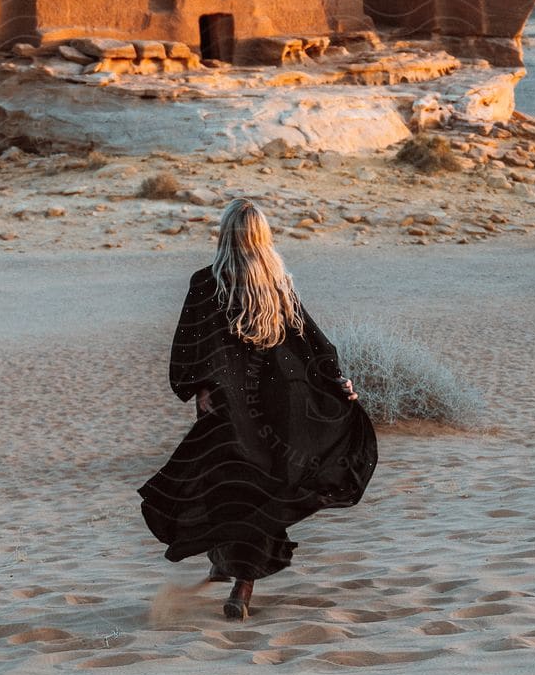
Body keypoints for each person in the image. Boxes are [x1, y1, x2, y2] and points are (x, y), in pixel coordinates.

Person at [137, 197, 378, 620]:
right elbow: (311, 343)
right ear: (263, 237)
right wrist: (336, 380)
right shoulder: (277, 282)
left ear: (225, 235)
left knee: (229, 483)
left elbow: (192, 346)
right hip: (283, 404)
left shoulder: (206, 283)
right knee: (266, 487)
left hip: (229, 405)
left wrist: (201, 388)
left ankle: (234, 572)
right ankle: (239, 581)